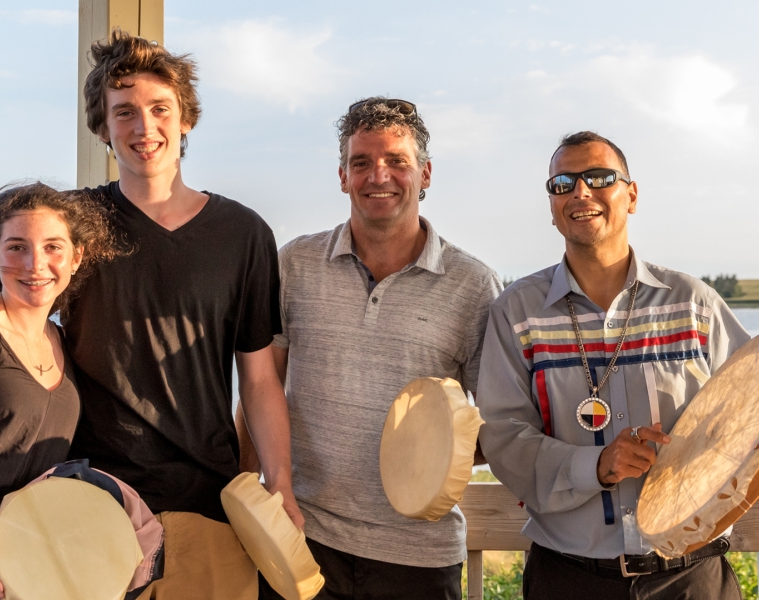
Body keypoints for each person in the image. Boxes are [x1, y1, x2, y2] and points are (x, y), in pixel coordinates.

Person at [61, 31, 302, 599]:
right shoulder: (72, 225)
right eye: (124, 113)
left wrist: (281, 483)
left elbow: (260, 376)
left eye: (159, 109)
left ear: (185, 118)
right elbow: (21, 330)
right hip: (95, 498)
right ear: (103, 129)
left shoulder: (243, 234)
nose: (144, 128)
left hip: (210, 502)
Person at [238, 97, 502, 599]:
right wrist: (252, 497)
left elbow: (501, 420)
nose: (378, 175)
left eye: (396, 162)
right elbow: (258, 385)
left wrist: (430, 455)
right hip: (301, 535)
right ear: (342, 176)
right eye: (361, 163)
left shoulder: (473, 285)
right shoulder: (294, 264)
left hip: (419, 558)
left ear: (425, 173)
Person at [476, 131, 751, 599]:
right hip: (568, 578)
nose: (579, 192)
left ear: (632, 195)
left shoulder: (693, 304)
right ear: (552, 206)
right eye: (562, 184)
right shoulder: (517, 313)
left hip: (691, 577)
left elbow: (750, 404)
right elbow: (502, 437)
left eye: (598, 178)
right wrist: (596, 464)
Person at [0, 182, 116, 600]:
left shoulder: (63, 340)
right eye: (16, 248)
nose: (36, 264)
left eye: (52, 247)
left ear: (76, 256)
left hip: (24, 558)